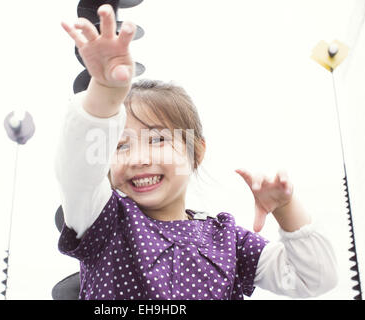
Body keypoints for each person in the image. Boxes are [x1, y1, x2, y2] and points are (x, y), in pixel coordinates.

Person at [55, 4, 338, 300]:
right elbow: (77, 168)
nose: (138, 158)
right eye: (121, 146)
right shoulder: (104, 220)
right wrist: (105, 90)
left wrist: (285, 208)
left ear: (196, 153)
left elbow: (313, 279)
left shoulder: (229, 241)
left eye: (157, 140)